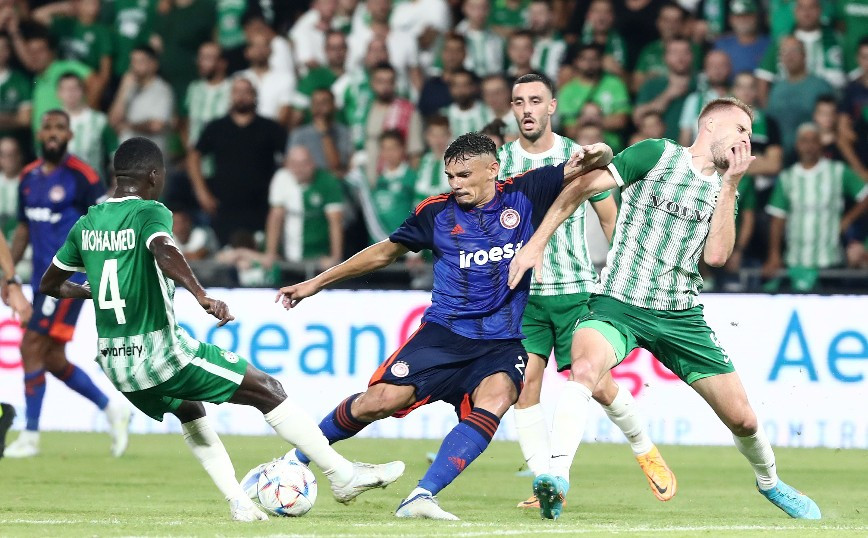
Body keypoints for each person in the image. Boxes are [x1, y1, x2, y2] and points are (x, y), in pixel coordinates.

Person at [39, 136, 404, 521]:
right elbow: (164, 249)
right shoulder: (149, 211)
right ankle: (342, 476)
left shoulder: (87, 224)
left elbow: (49, 284)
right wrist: (199, 293)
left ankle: (239, 502)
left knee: (190, 410)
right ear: (154, 175)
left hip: (116, 363)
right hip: (159, 352)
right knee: (267, 389)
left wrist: (89, 291)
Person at [507, 96, 822, 521]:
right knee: (584, 369)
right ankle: (556, 478)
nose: (746, 141)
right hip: (617, 303)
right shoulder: (656, 154)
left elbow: (716, 257)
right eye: (741, 130)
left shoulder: (724, 189)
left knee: (744, 420)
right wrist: (536, 243)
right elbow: (581, 187)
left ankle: (770, 482)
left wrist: (731, 185)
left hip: (679, 315)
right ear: (710, 126)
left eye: (749, 135)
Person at [275, 131, 614, 520]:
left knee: (499, 397)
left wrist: (598, 149)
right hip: (444, 336)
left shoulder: (527, 191)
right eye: (450, 176)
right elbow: (384, 253)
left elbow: (599, 162)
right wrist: (316, 283)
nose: (456, 184)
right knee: (380, 401)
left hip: (502, 342)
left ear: (492, 169)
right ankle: (296, 458)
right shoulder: (435, 213)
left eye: (464, 175)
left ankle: (421, 496)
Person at [499, 73, 674, 510]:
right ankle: (545, 483)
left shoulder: (578, 156)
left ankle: (644, 448)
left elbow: (610, 218)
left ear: (552, 106)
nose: (526, 109)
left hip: (576, 290)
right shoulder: (499, 162)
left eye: (535, 100)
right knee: (524, 385)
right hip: (523, 294)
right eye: (519, 101)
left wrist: (624, 276)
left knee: (598, 385)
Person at [4, 110, 129, 459]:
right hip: (39, 280)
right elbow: (24, 228)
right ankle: (112, 409)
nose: (53, 133)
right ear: (39, 134)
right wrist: (9, 275)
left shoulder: (83, 176)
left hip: (69, 278)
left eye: (60, 127)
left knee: (30, 346)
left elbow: (104, 226)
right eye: (48, 127)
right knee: (52, 358)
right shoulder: (28, 177)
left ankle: (30, 436)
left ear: (70, 135)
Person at [763, 123, 868, 292]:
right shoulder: (787, 178)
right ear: (797, 145)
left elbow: (865, 195)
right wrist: (774, 254)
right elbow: (778, 218)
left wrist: (848, 219)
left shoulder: (837, 171)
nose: (809, 146)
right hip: (796, 261)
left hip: (830, 261)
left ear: (820, 144)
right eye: (804, 141)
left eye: (813, 141)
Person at [188, 77, 286, 246]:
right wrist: (202, 192)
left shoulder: (270, 128)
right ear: (231, 96)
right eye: (237, 92)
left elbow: (288, 158)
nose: (241, 96)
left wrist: (279, 193)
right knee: (226, 254)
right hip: (225, 206)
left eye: (246, 92)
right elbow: (194, 156)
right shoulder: (216, 127)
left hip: (261, 205)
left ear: (254, 96)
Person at [265, 146, 345, 270]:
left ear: (312, 163)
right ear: (287, 165)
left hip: (320, 257)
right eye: (294, 164)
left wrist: (335, 258)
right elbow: (275, 218)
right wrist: (271, 254)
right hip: (289, 256)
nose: (299, 169)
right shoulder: (281, 178)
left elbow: (335, 222)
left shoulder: (328, 181)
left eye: (304, 164)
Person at [108, 45, 174, 158]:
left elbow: (156, 126)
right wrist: (123, 90)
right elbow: (112, 122)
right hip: (126, 157)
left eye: (140, 61)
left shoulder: (162, 90)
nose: (134, 66)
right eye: (133, 61)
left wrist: (128, 126)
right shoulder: (129, 87)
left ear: (153, 65)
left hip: (150, 159)